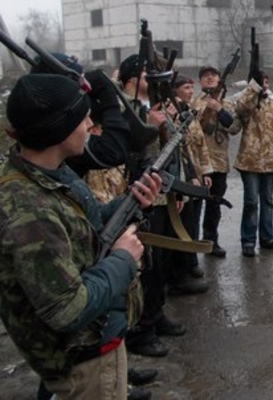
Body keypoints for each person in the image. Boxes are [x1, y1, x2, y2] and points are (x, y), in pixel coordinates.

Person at [0, 73, 160, 399]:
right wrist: (123, 259)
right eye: (82, 116)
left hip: (99, 341)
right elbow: (67, 309)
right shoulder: (27, 208)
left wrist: (129, 201)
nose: (90, 124)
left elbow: (80, 225)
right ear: (58, 129)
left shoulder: (49, 173)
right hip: (82, 360)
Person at [116, 55, 187, 359]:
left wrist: (180, 187)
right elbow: (122, 148)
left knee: (161, 262)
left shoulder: (154, 107)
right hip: (138, 196)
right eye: (147, 72)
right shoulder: (123, 109)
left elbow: (173, 150)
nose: (154, 78)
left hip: (162, 194)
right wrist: (148, 124)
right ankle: (140, 330)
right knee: (143, 267)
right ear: (133, 78)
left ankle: (156, 315)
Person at [234, 70, 273, 256]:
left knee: (268, 201)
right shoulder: (248, 102)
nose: (264, 83)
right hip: (250, 161)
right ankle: (248, 241)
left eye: (265, 80)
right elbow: (241, 109)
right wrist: (252, 90)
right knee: (251, 202)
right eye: (260, 81)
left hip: (270, 161)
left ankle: (267, 237)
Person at [166, 75, 212, 294]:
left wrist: (205, 171)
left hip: (194, 175)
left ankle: (191, 263)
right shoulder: (172, 113)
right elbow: (178, 149)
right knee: (182, 224)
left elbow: (201, 143)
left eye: (191, 87)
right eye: (186, 87)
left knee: (192, 221)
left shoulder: (189, 112)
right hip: (182, 176)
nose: (190, 91)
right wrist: (191, 174)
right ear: (175, 91)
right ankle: (180, 270)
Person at [195, 64, 242, 258]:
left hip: (219, 162)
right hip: (197, 163)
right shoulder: (193, 102)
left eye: (213, 75)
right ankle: (192, 243)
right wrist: (206, 109)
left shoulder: (228, 104)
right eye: (205, 76)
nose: (210, 78)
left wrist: (219, 109)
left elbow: (234, 127)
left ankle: (211, 240)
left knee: (214, 205)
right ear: (200, 81)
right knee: (194, 205)